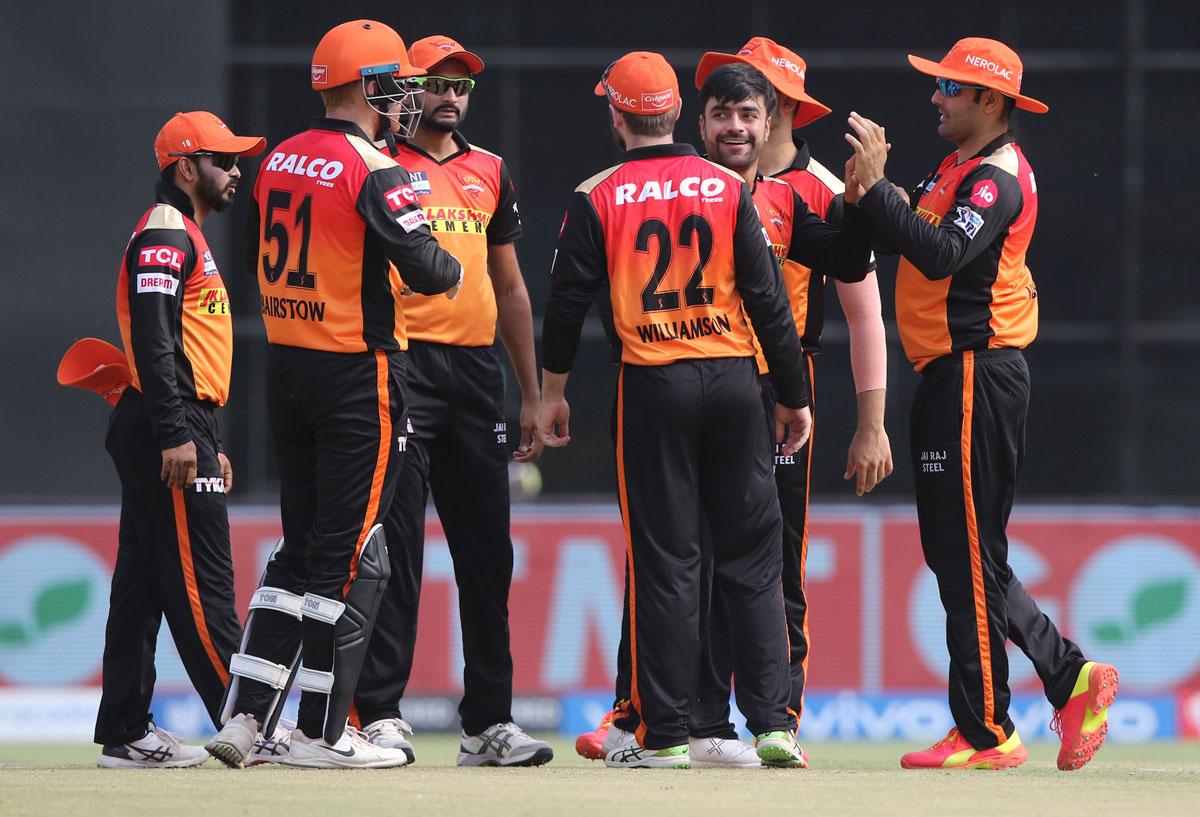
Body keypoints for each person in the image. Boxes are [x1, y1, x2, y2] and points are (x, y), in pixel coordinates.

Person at [540, 51, 870, 769]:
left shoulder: (597, 192)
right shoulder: (727, 188)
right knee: (754, 559)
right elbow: (769, 302)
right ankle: (774, 724)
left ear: (618, 114)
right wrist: (794, 394)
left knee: (668, 561)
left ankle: (664, 736)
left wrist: (552, 389)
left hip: (652, 383)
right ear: (678, 115)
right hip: (731, 383)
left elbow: (567, 302)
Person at [843, 37, 1118, 771]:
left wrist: (877, 195)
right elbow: (917, 236)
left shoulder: (997, 177)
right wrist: (874, 198)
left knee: (963, 550)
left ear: (989, 101)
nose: (936, 98)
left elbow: (940, 255)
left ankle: (987, 731)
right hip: (949, 376)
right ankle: (1069, 676)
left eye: (950, 89)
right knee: (959, 550)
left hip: (975, 375)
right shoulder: (955, 167)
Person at [205, 19, 463, 770]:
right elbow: (429, 269)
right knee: (352, 554)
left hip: (288, 368)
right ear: (369, 84)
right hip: (358, 371)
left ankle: (247, 718)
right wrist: (443, 254)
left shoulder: (281, 157)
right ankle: (321, 731)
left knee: (299, 548)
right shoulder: (375, 165)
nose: (406, 99)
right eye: (397, 83)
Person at [352, 35, 552, 767]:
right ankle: (379, 712)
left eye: (461, 85)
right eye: (436, 83)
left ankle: (489, 723)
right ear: (406, 92)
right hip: (399, 367)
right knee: (397, 551)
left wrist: (531, 394)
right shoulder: (377, 165)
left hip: (475, 376)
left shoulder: (490, 170)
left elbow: (511, 287)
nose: (451, 95)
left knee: (486, 554)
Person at [94, 110, 264, 768]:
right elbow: (156, 337)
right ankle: (249, 722)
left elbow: (180, 345)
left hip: (177, 418)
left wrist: (200, 428)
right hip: (166, 420)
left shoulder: (183, 232)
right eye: (224, 160)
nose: (236, 171)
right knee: (202, 583)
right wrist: (176, 429)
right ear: (186, 166)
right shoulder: (167, 231)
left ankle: (127, 731)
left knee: (140, 583)